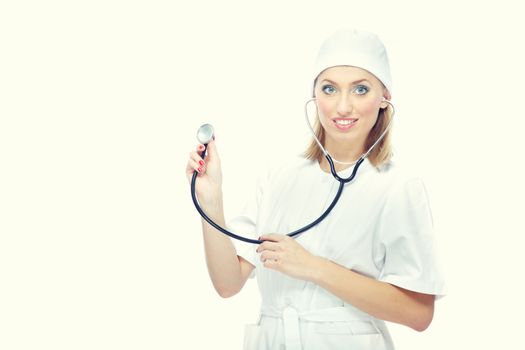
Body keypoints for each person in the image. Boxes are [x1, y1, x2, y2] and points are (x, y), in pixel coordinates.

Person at [185, 28, 445, 350]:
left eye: (361, 90)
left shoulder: (398, 187)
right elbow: (228, 283)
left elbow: (419, 313)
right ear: (315, 94)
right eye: (330, 89)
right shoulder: (279, 176)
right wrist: (211, 201)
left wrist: (314, 267)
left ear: (384, 99)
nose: (343, 106)